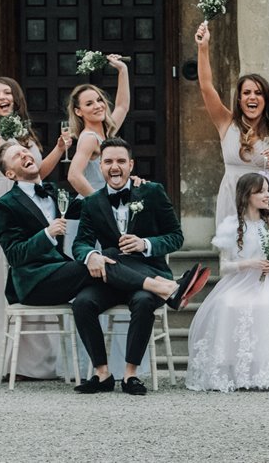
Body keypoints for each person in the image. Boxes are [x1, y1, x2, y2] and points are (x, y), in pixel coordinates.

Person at [70, 138, 209, 395]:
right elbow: (80, 243)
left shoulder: (151, 192)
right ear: (101, 166)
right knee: (82, 302)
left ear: (131, 165)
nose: (115, 167)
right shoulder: (91, 203)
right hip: (111, 280)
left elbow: (175, 236)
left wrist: (145, 243)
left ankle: (130, 375)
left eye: (121, 161)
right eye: (109, 161)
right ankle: (102, 374)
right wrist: (91, 256)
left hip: (147, 269)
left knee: (144, 300)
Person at [0, 143, 199, 311]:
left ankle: (165, 289)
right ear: (10, 174)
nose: (25, 155)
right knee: (100, 257)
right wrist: (47, 234)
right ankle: (165, 286)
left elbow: (96, 207)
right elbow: (14, 255)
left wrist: (132, 187)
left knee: (106, 260)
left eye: (25, 151)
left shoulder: (53, 192)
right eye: (17, 156)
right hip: (34, 283)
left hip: (64, 274)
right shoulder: (4, 205)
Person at [0, 77, 69, 379]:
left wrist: (59, 148)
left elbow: (41, 170)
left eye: (7, 92)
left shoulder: (27, 133)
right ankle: (8, 356)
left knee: (37, 267)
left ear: (16, 98)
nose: (2, 97)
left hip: (32, 203)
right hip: (0, 200)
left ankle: (41, 361)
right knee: (1, 274)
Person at [185, 173, 269, 392]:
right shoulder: (232, 226)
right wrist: (248, 264)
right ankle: (235, 369)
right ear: (247, 195)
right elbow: (224, 267)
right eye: (261, 191)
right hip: (240, 282)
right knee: (227, 304)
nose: (267, 195)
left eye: (268, 191)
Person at [194, 22, 269, 225]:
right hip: (233, 197)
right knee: (235, 251)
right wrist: (203, 47)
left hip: (266, 201)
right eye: (247, 93)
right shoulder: (226, 122)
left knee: (266, 252)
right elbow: (206, 87)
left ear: (266, 99)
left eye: (259, 93)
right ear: (239, 99)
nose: (253, 97)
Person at [66, 55, 131, 199]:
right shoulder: (90, 138)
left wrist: (122, 69)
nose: (98, 106)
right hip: (94, 206)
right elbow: (73, 175)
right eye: (89, 104)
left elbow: (122, 106)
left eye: (99, 100)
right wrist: (99, 203)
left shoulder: (107, 132)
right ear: (78, 111)